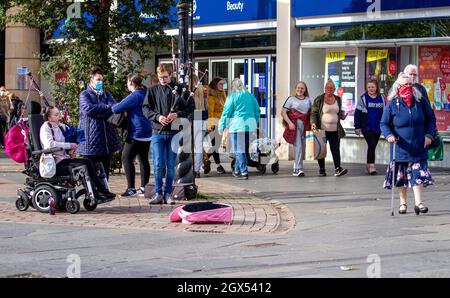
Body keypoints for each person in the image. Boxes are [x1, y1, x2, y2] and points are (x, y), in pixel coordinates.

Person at [380, 73, 435, 215]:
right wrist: (389, 135)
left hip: (418, 145)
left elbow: (431, 119)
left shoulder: (420, 101)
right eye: (406, 85)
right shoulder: (392, 104)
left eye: (411, 85)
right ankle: (403, 203)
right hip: (400, 147)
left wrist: (429, 135)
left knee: (418, 175)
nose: (409, 88)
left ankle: (419, 203)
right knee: (401, 177)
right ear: (398, 87)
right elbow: (384, 123)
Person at [143, 64, 194, 205]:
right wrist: (158, 117)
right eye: (160, 77)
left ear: (171, 75)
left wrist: (177, 114)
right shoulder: (152, 90)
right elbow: (146, 108)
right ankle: (158, 193)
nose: (163, 80)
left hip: (173, 132)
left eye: (165, 77)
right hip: (157, 132)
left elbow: (190, 107)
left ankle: (168, 194)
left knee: (170, 165)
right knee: (158, 164)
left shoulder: (179, 89)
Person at [40, 106, 115, 200]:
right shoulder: (46, 127)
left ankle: (102, 190)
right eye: (56, 115)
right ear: (49, 118)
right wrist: (69, 145)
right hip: (54, 162)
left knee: (87, 162)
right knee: (82, 167)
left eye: (59, 114)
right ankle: (95, 194)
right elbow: (49, 145)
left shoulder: (60, 127)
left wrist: (70, 150)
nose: (59, 116)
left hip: (63, 158)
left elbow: (64, 143)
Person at [77, 66, 121, 180]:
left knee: (104, 173)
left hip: (106, 141)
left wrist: (101, 111)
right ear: (91, 80)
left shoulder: (106, 94)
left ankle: (104, 193)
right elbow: (88, 109)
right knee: (92, 174)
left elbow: (113, 108)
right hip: (91, 141)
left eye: (101, 79)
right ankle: (93, 195)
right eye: (98, 79)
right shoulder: (84, 94)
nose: (100, 82)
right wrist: (105, 107)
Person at [111, 74, 152, 197]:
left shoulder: (134, 96)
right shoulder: (146, 93)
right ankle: (144, 187)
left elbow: (115, 108)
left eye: (127, 82)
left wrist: (123, 108)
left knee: (126, 157)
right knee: (143, 159)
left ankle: (131, 189)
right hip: (148, 131)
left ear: (131, 83)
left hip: (136, 131)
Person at [219, 78, 260, 180]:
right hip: (249, 126)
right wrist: (256, 122)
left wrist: (221, 126)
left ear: (233, 87)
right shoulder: (250, 96)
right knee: (242, 149)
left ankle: (243, 172)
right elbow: (257, 110)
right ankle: (237, 170)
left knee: (238, 149)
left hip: (237, 126)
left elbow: (226, 113)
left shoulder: (232, 97)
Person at [310, 80, 348, 177]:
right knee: (321, 149)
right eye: (328, 88)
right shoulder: (319, 99)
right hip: (322, 129)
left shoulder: (338, 99)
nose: (329, 90)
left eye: (331, 88)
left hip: (335, 130)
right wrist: (313, 123)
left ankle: (338, 169)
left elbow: (337, 112)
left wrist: (342, 116)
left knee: (335, 149)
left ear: (334, 89)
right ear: (325, 88)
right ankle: (322, 170)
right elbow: (314, 112)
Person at [354, 79, 386, 175]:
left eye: (372, 87)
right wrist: (357, 127)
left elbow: (386, 112)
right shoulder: (363, 98)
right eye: (369, 87)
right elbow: (357, 113)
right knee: (371, 144)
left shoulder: (382, 97)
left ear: (376, 88)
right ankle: (371, 166)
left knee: (372, 146)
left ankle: (369, 164)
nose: (370, 89)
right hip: (366, 127)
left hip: (378, 126)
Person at [281, 81, 312, 176]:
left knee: (302, 147)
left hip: (305, 125)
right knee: (298, 146)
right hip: (295, 125)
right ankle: (298, 169)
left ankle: (297, 167)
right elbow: (283, 112)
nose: (300, 90)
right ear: (295, 89)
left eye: (302, 88)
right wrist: (289, 123)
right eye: (298, 88)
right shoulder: (291, 99)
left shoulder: (308, 100)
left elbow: (311, 113)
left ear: (305, 90)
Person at [203, 77, 227, 175]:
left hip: (221, 123)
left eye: (223, 84)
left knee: (216, 145)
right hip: (214, 123)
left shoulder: (222, 94)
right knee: (215, 145)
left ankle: (205, 160)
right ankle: (217, 165)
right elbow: (211, 112)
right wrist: (211, 125)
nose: (222, 86)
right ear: (215, 85)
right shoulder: (212, 96)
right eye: (220, 84)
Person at [191, 74, 208, 178]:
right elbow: (207, 106)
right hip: (201, 116)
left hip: (192, 116)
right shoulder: (203, 90)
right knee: (199, 146)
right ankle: (196, 170)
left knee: (188, 146)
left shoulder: (190, 90)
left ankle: (190, 169)